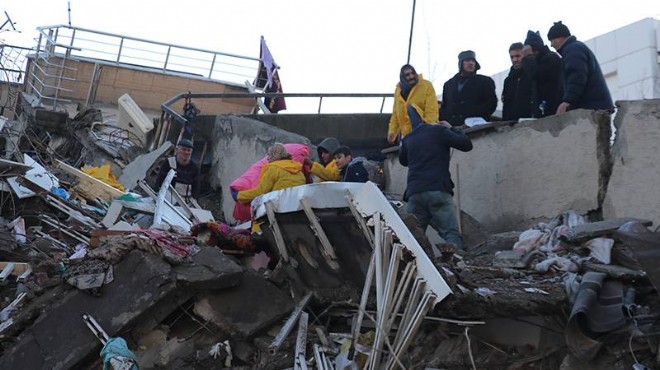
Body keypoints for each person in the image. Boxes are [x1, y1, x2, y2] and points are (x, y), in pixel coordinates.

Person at [399, 105, 473, 251]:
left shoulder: (408, 139)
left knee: (411, 237)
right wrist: (451, 128)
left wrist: (405, 142)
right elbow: (466, 144)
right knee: (450, 233)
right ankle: (459, 264)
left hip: (415, 193)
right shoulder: (439, 131)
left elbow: (403, 161)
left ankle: (415, 268)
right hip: (437, 189)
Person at [547, 21, 613, 114]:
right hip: (596, 107)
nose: (551, 45)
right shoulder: (575, 48)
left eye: (551, 41)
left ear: (558, 38)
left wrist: (568, 101)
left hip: (593, 109)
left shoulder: (572, 50)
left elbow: (577, 75)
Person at [440, 50, 497, 126]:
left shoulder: (485, 81)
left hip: (476, 126)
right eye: (467, 60)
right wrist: (446, 119)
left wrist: (477, 116)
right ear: (461, 63)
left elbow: (491, 103)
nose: (471, 63)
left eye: (473, 61)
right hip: (452, 127)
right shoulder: (448, 85)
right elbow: (444, 107)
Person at [236, 143, 306, 204]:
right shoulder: (298, 170)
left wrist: (239, 195)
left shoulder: (273, 169)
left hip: (279, 208)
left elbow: (260, 192)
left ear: (275, 155)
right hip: (296, 206)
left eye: (269, 155)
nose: (268, 159)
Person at [387, 64, 439, 143]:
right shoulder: (398, 91)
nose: (411, 76)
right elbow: (395, 114)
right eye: (407, 75)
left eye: (412, 73)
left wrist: (429, 128)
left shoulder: (426, 85)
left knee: (411, 108)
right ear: (403, 78)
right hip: (406, 135)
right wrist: (392, 132)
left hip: (425, 130)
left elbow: (432, 109)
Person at [522, 30, 563, 117]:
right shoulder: (538, 62)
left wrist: (528, 58)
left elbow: (536, 74)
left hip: (553, 110)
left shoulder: (551, 59)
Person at [155, 138, 200, 202]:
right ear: (177, 150)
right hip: (168, 200)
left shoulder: (194, 168)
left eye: (189, 150)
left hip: (186, 202)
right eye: (183, 149)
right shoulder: (168, 163)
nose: (186, 152)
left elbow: (196, 188)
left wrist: (193, 200)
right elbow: (159, 182)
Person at [502, 42, 536, 121]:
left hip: (532, 121)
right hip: (512, 125)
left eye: (517, 56)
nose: (514, 60)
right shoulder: (508, 81)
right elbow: (506, 106)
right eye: (512, 57)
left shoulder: (532, 75)